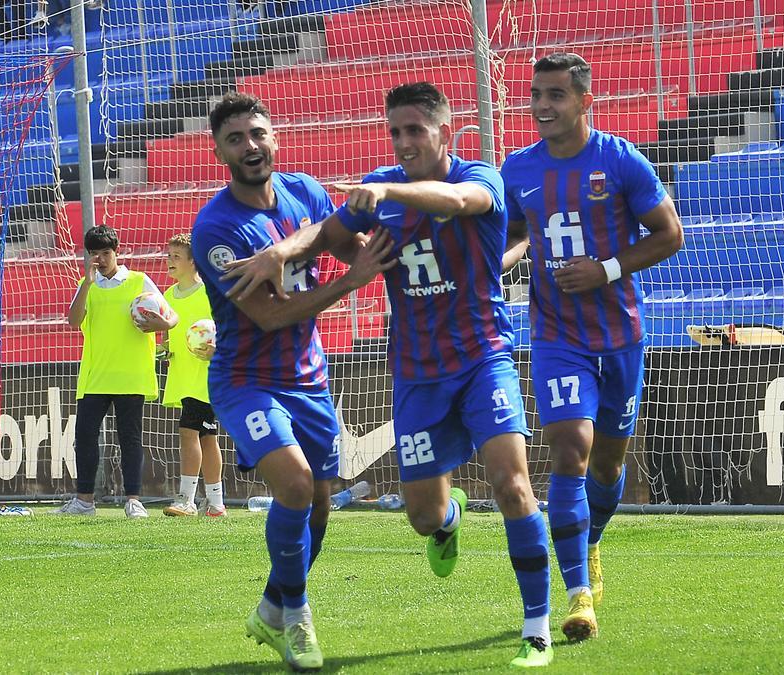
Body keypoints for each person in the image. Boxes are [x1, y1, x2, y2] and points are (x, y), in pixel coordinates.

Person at [224, 82, 554, 668]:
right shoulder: (381, 192)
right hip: (417, 374)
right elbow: (327, 234)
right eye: (395, 132)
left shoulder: (479, 177)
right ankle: (448, 521)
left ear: (444, 133)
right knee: (423, 515)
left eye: (415, 131)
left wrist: (383, 188)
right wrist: (285, 252)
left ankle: (536, 628)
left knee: (512, 484)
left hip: (484, 359)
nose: (403, 142)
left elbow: (457, 205)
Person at [190, 92, 394, 671]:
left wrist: (382, 247)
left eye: (257, 133)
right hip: (246, 380)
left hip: (309, 379)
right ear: (219, 150)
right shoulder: (217, 230)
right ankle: (298, 618)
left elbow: (342, 239)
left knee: (322, 507)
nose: (250, 147)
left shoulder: (305, 191)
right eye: (236, 139)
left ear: (273, 134)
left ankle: (272, 606)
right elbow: (273, 315)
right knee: (297, 486)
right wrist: (353, 280)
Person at [499, 52, 684, 643]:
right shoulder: (517, 169)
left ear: (584, 101)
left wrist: (605, 269)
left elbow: (670, 235)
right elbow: (514, 238)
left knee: (607, 464)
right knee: (570, 452)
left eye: (555, 95)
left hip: (621, 335)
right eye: (536, 95)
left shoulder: (619, 159)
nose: (542, 106)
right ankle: (578, 596)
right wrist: (491, 271)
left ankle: (592, 539)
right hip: (556, 336)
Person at [55, 225, 177, 518]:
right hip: (96, 375)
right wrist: (86, 282)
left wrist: (157, 326)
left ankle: (133, 499)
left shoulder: (139, 281)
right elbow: (73, 320)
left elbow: (171, 319)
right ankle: (84, 501)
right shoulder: (88, 285)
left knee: (130, 438)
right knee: (84, 436)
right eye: (94, 253)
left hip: (131, 373)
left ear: (116, 252)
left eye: (106, 253)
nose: (100, 259)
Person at [160, 233, 226, 518]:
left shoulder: (210, 292)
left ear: (193, 261)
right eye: (168, 255)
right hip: (183, 375)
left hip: (207, 376)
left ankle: (186, 499)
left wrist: (218, 349)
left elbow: (229, 328)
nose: (169, 261)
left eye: (176, 256)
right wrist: (165, 350)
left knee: (189, 432)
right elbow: (170, 337)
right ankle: (216, 504)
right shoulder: (166, 296)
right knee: (207, 438)